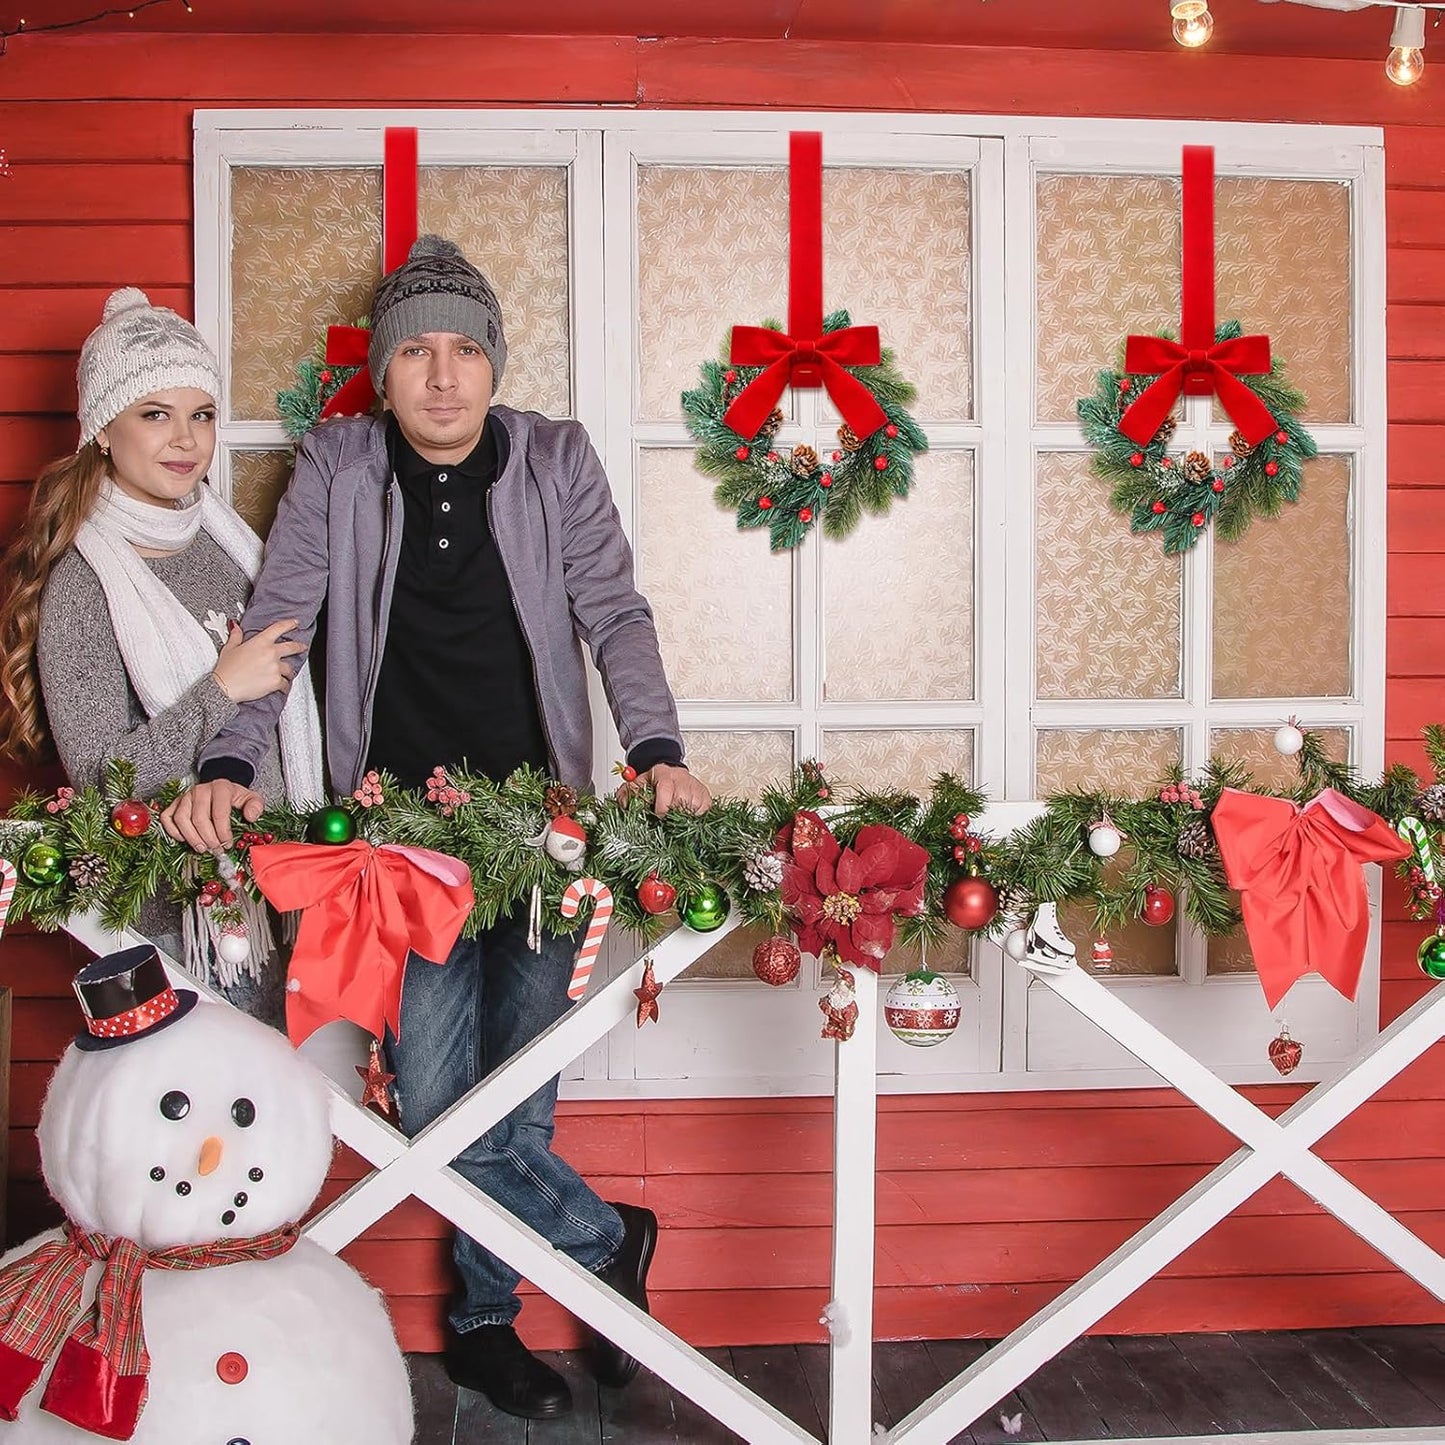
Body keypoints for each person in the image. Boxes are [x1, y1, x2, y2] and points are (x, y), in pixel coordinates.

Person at [161, 235, 712, 1420]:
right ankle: (603, 1239)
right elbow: (283, 616)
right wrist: (224, 759)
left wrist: (655, 750)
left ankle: (481, 1324)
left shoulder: (556, 460)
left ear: (493, 364)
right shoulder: (339, 462)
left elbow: (614, 610)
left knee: (521, 1096)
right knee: (430, 1099)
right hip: (397, 838)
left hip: (544, 829)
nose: (444, 375)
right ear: (383, 370)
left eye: (466, 350)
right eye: (416, 351)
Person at [0, 288, 326, 1025]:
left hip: (275, 883)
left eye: (200, 414)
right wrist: (220, 688)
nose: (185, 438)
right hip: (177, 910)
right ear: (103, 430)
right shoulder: (85, 581)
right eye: (155, 414)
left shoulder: (229, 546)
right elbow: (98, 777)